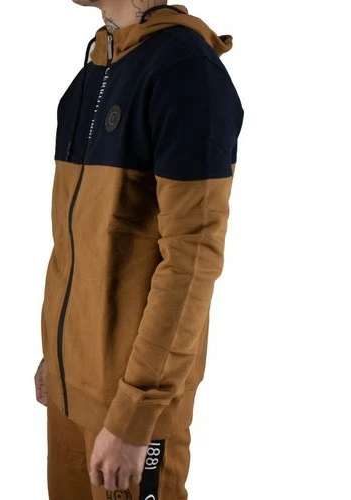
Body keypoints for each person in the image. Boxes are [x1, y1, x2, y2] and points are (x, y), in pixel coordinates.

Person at [34, 1, 244, 498]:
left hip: (128, 408)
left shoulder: (185, 71)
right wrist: (59, 359)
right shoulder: (94, 72)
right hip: (73, 393)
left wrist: (136, 412)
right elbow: (80, 243)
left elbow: (192, 262)